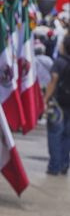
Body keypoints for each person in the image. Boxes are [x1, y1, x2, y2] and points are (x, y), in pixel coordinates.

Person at [43, 35, 70, 175]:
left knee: (55, 134)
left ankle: (54, 166)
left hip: (57, 104)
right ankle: (64, 165)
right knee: (67, 135)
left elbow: (53, 80)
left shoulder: (59, 62)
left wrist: (45, 99)